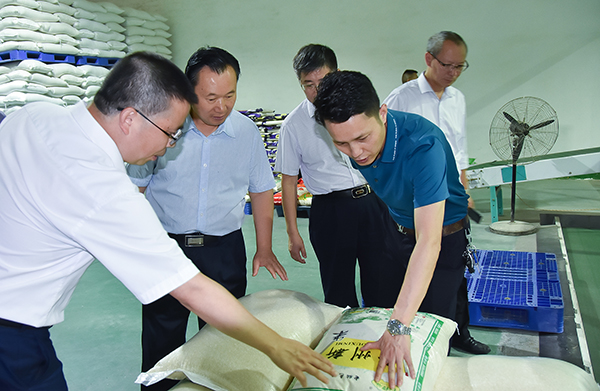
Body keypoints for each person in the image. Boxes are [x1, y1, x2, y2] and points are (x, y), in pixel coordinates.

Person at [0, 51, 335, 391]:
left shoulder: (31, 116)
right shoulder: (106, 190)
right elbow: (190, 288)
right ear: (130, 118)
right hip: (12, 329)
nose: (167, 147)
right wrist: (276, 345)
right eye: (170, 132)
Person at [126, 46, 287, 391]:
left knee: (222, 339)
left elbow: (261, 190)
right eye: (211, 97)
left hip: (223, 250)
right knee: (161, 337)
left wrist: (263, 247)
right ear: (188, 92)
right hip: (167, 248)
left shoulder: (245, 132)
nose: (222, 106)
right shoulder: (163, 127)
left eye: (230, 95)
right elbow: (135, 190)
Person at [314, 70, 470, 389]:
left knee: (427, 329)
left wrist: (400, 328)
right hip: (394, 227)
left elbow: (429, 241)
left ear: (382, 112)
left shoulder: (423, 147)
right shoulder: (357, 139)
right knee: (380, 314)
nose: (356, 153)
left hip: (441, 236)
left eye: (362, 138)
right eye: (341, 143)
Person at [274, 44, 404, 309]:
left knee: (383, 282)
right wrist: (292, 232)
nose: (316, 91)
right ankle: (342, 345)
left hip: (374, 204)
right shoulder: (294, 125)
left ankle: (380, 340)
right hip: (331, 212)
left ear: (338, 73)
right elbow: (288, 181)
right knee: (338, 292)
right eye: (308, 84)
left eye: (323, 82)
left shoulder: (362, 109)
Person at [384, 31, 489, 355]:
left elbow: (459, 151)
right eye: (448, 64)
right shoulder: (402, 98)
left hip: (452, 203)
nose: (454, 72)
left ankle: (459, 332)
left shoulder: (457, 99)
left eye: (460, 66)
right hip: (417, 205)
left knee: (455, 272)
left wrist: (465, 189)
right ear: (429, 60)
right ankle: (420, 340)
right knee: (419, 270)